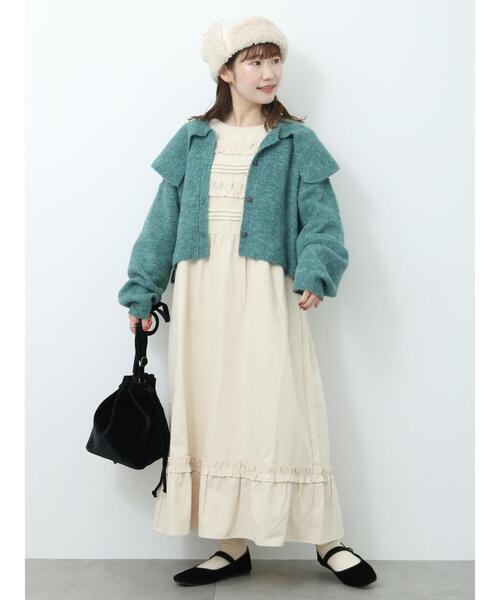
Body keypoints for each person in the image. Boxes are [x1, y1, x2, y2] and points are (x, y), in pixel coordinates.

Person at [118, 15, 377, 589]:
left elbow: (323, 221)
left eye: (275, 60)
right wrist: (142, 289)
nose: (269, 73)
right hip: (201, 293)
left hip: (265, 289)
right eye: (255, 62)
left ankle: (327, 540)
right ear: (226, 72)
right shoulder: (192, 139)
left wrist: (316, 269)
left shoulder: (295, 141)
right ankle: (230, 546)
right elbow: (161, 223)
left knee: (283, 408)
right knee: (213, 411)